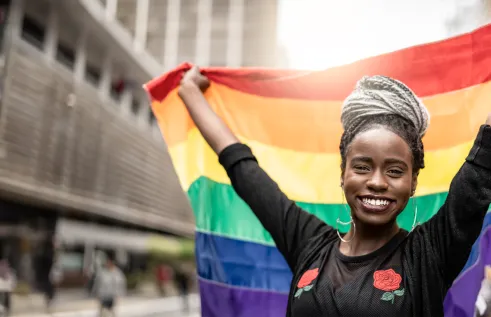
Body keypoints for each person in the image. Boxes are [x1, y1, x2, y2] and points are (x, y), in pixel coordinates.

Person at [177, 66, 491, 317]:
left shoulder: (428, 253)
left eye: (395, 171)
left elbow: (480, 169)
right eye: (363, 167)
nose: (377, 182)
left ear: (413, 184)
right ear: (343, 175)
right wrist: (190, 92)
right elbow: (244, 170)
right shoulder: (308, 243)